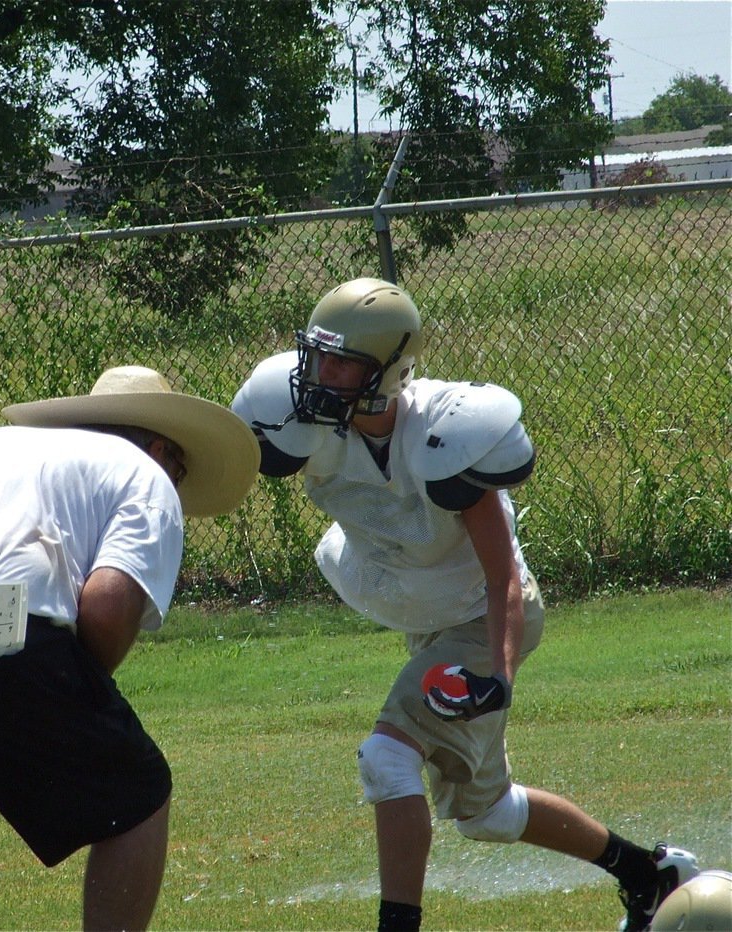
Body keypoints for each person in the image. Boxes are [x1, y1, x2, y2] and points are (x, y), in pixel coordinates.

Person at [230, 277, 700, 932]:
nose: (321, 375)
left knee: (387, 756)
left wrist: (498, 676)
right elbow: (218, 470)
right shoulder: (297, 415)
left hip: (483, 615)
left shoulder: (447, 433)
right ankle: (648, 873)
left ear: (390, 370)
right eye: (318, 355)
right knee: (488, 816)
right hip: (426, 614)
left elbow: (504, 574)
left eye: (344, 362)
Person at [0, 365, 260, 931]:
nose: (176, 485)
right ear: (161, 447)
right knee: (139, 797)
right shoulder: (144, 471)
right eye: (180, 471)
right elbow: (106, 607)